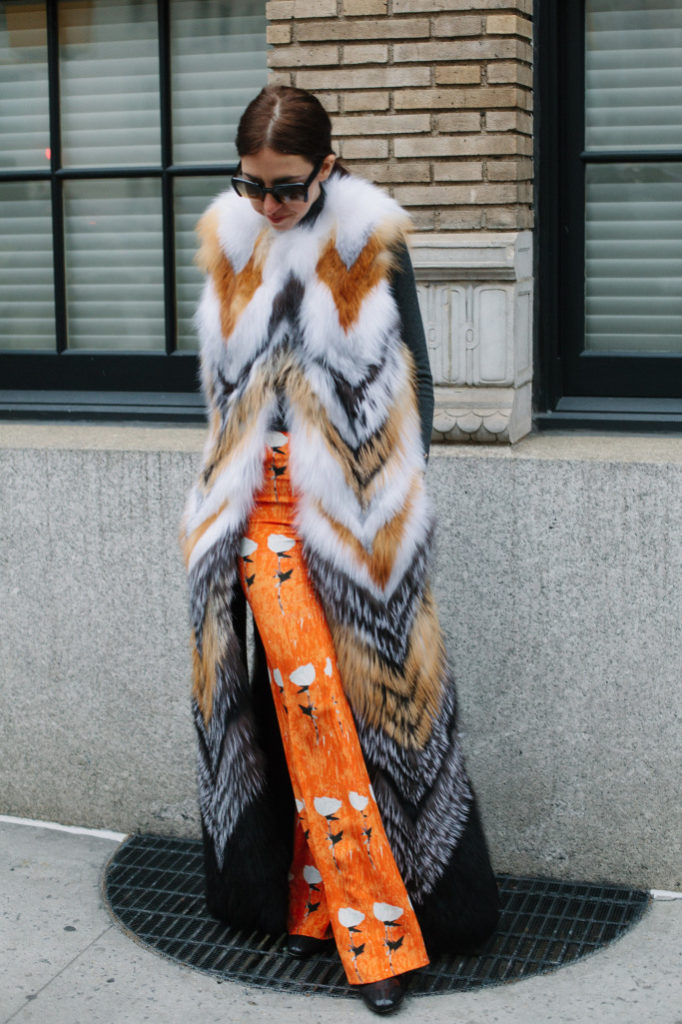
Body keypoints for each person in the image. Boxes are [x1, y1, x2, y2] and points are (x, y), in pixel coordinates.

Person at [181, 85, 499, 1015]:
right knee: (312, 708)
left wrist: (398, 495)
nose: (269, 206)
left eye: (286, 187)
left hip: (358, 517)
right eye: (252, 187)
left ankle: (326, 905)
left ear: (326, 167)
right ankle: (376, 942)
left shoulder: (367, 242)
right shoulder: (231, 241)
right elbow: (225, 389)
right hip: (260, 519)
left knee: (370, 717)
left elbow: (420, 377)